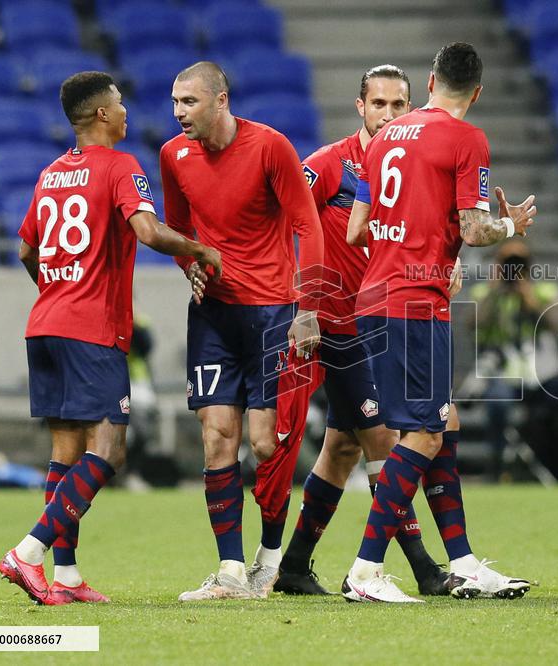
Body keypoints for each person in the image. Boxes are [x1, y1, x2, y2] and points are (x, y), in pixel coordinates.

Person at [0, 71, 222, 605]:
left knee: (66, 452)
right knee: (110, 450)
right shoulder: (121, 166)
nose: (126, 111)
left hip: (45, 322)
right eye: (120, 103)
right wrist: (198, 249)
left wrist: (56, 290)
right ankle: (27, 553)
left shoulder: (50, 173)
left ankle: (66, 576)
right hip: (91, 329)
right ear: (101, 114)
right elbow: (146, 231)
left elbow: (27, 250)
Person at [342, 42, 537, 603]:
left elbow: (357, 230)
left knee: (439, 424)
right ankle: (365, 569)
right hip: (414, 301)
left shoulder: (382, 139)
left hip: (374, 297)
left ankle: (465, 562)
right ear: (477, 91)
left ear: (429, 81)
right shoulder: (466, 138)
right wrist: (509, 224)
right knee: (426, 433)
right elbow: (475, 232)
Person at [273, 65, 451, 597]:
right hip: (336, 323)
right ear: (361, 108)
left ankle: (295, 566)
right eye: (380, 105)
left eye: (400, 105)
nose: (390, 115)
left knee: (342, 448)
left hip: (385, 321)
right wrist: (299, 302)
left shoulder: (415, 165)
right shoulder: (330, 165)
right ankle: (422, 569)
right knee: (383, 438)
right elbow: (286, 218)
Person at [159, 62, 325, 601]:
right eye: (175, 102)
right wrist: (192, 269)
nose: (179, 112)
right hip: (214, 315)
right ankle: (230, 570)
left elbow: (307, 224)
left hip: (274, 312)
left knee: (263, 443)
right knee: (215, 438)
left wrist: (309, 306)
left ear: (221, 100)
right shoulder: (172, 156)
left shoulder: (270, 147)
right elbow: (180, 229)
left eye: (190, 101)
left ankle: (269, 557)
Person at [470, 239, 558, 481]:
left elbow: (554, 324)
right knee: (498, 403)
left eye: (518, 264)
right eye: (507, 264)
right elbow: (474, 323)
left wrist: (527, 296)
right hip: (505, 375)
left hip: (543, 376)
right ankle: (495, 466)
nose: (512, 271)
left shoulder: (544, 291)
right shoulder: (485, 294)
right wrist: (495, 290)